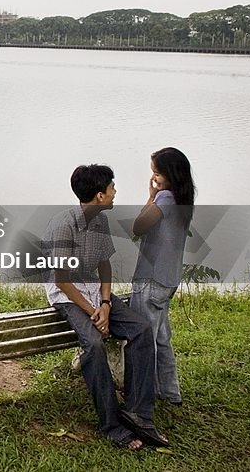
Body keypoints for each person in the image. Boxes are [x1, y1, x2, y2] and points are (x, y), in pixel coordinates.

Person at [43, 164, 169, 450]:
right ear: (100, 195)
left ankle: (138, 412)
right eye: (112, 188)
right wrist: (93, 312)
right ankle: (111, 425)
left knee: (141, 329)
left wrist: (106, 303)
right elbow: (62, 281)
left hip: (97, 297)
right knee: (95, 345)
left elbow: (104, 265)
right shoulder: (63, 225)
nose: (115, 192)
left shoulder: (99, 221)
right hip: (69, 297)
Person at [131, 147, 195, 406]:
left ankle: (144, 398)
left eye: (157, 173)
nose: (154, 178)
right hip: (168, 279)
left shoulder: (166, 198)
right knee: (161, 338)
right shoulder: (183, 198)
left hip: (151, 278)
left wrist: (151, 196)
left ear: (169, 174)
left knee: (145, 341)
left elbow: (138, 227)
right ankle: (170, 393)